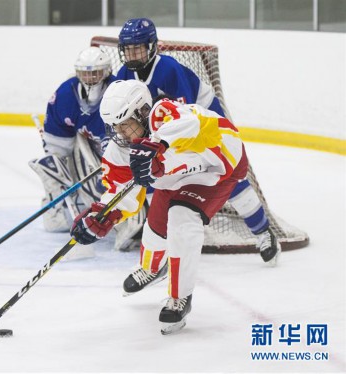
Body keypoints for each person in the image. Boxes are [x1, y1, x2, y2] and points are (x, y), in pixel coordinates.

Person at [71, 80, 260, 334]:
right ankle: (151, 268)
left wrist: (160, 146)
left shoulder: (166, 114)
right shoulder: (121, 147)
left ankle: (179, 297)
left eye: (125, 125)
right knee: (156, 225)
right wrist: (103, 215)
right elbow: (119, 189)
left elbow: (193, 126)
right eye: (115, 127)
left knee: (182, 219)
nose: (121, 134)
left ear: (142, 112)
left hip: (217, 169)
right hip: (175, 178)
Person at [116, 18, 280, 272]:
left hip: (204, 122)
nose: (132, 54)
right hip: (164, 131)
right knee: (154, 180)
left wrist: (156, 143)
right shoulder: (124, 75)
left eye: (137, 48)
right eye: (127, 49)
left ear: (151, 47)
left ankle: (262, 233)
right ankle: (163, 244)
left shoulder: (169, 70)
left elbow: (187, 118)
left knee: (226, 176)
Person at [29, 47, 146, 252]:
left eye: (95, 72)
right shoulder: (65, 94)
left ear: (107, 71)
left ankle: (131, 221)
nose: (90, 78)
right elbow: (57, 142)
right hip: (89, 149)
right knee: (54, 164)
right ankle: (61, 205)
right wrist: (57, 167)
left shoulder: (116, 94)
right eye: (85, 72)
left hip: (119, 151)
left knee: (127, 182)